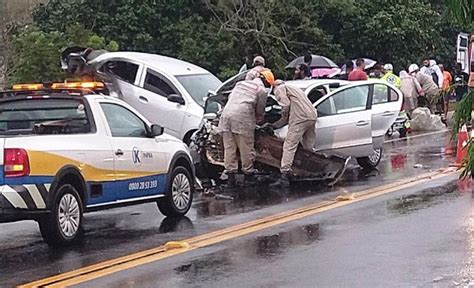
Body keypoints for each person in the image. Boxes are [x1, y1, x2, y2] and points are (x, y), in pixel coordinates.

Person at [219, 70, 275, 187]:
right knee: (246, 148)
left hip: (225, 117)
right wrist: (259, 118)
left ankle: (231, 178)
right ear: (267, 83)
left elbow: (230, 97)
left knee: (229, 148)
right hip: (242, 119)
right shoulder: (262, 91)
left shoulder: (240, 84)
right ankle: (248, 175)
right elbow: (260, 110)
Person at [264, 80, 317, 188]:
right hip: (312, 116)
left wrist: (281, 115)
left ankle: (285, 173)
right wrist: (275, 125)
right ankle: (311, 167)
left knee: (289, 145)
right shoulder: (295, 89)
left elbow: (286, 105)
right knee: (308, 145)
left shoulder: (279, 89)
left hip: (300, 118)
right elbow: (288, 114)